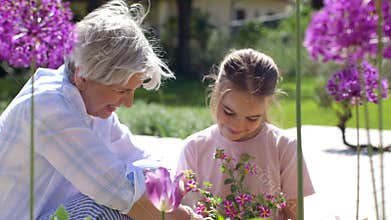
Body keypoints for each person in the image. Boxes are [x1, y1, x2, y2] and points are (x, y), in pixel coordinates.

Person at [0, 0, 200, 219]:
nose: (128, 103)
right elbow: (114, 189)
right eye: (121, 90)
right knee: (101, 207)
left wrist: (178, 198)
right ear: (82, 76)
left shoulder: (91, 105)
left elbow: (139, 157)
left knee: (150, 173)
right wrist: (177, 217)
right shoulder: (48, 108)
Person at [177, 48, 315, 220]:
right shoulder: (194, 148)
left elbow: (295, 215)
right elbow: (181, 211)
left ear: (267, 105)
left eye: (252, 117)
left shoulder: (284, 147)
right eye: (228, 112)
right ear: (216, 91)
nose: (238, 125)